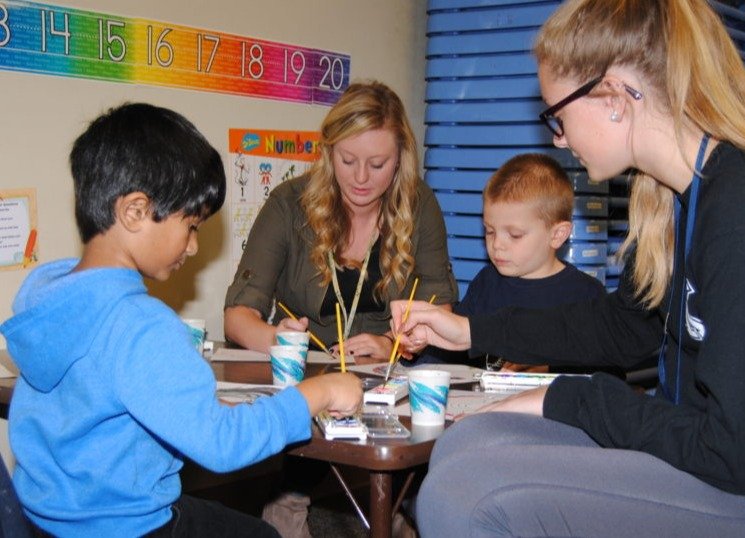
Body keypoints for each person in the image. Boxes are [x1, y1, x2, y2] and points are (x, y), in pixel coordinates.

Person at [391, 1, 745, 536]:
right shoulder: (681, 196)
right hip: (724, 460)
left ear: (615, 98)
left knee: (466, 497)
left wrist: (565, 397)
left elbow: (735, 455)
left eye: (558, 116)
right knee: (465, 443)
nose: (558, 139)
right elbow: (625, 326)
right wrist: (469, 330)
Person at [0, 103, 363, 537]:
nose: (192, 247)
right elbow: (222, 444)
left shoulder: (49, 300)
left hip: (47, 522)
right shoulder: (141, 324)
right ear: (134, 211)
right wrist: (318, 392)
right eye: (191, 226)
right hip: (130, 527)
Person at [224, 81, 457, 362]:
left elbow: (439, 310)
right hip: (305, 369)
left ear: (400, 158)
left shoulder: (419, 204)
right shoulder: (288, 204)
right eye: (348, 160)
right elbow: (237, 317)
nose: (361, 177)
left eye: (377, 164)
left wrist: (392, 345)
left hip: (383, 371)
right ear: (329, 151)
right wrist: (277, 340)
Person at [421, 152, 606, 371]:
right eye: (490, 231)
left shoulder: (586, 295)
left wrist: (551, 368)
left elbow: (607, 372)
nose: (497, 244)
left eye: (515, 235)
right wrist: (423, 341)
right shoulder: (486, 283)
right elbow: (455, 350)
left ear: (557, 235)